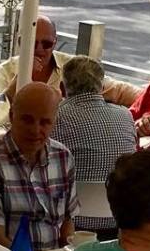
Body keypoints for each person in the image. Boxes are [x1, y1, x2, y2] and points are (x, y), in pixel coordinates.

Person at [0, 82, 76, 251]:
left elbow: (68, 223)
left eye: (45, 122)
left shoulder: (63, 156)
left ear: (54, 123)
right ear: (11, 115)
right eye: (27, 120)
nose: (35, 130)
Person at [0, 19, 139, 131]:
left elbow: (119, 90)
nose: (39, 50)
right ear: (21, 42)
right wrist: (21, 75)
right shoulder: (6, 70)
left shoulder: (70, 66)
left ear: (55, 43)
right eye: (32, 43)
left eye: (46, 44)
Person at [52, 57, 136, 234]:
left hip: (69, 222)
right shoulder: (125, 116)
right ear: (102, 88)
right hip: (119, 218)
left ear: (62, 87)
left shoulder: (55, 117)